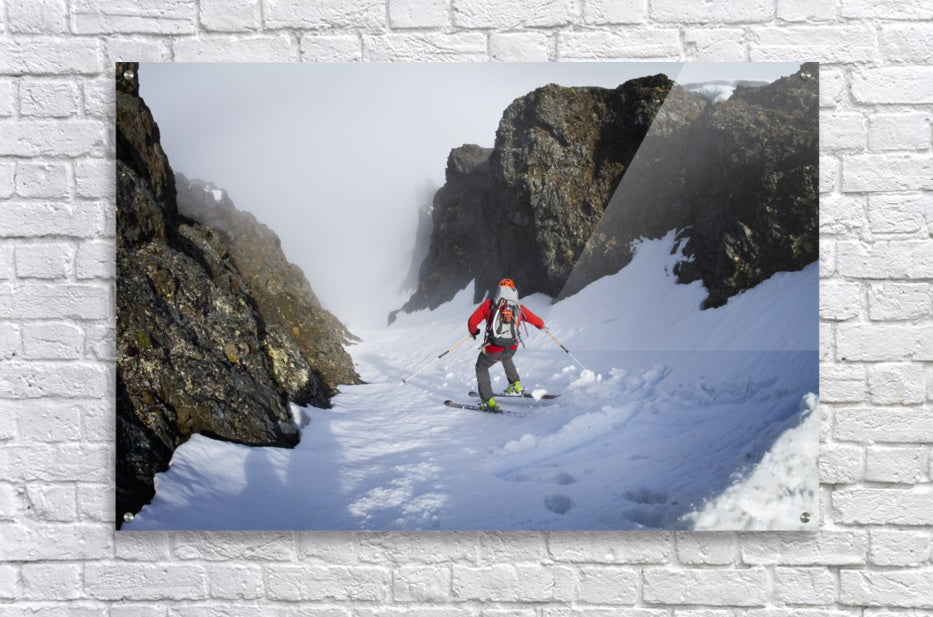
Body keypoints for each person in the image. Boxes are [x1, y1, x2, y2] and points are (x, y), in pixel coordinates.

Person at [467, 278, 545, 411]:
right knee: (506, 357)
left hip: (493, 348)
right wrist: (542, 326)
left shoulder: (489, 304)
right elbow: (537, 321)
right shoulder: (518, 307)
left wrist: (474, 332)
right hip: (512, 347)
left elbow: (472, 321)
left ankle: (488, 400)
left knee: (481, 367)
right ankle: (515, 385)